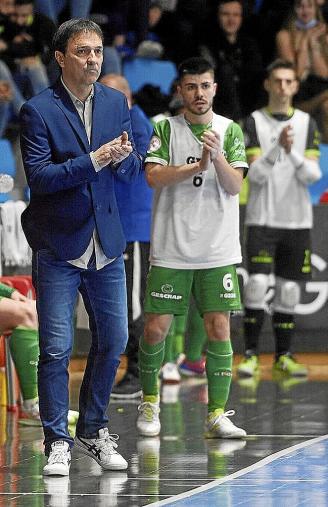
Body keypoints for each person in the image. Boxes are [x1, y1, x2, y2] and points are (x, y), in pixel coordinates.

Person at [20, 18, 142, 476]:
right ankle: (57, 439)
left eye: (97, 51)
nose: (92, 59)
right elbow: (42, 179)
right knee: (56, 347)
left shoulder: (116, 102)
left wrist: (124, 160)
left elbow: (127, 173)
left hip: (106, 243)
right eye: (82, 52)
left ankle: (92, 430)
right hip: (58, 243)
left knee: (114, 339)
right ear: (60, 58)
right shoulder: (38, 110)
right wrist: (94, 160)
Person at [136, 56, 248, 439]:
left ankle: (216, 413)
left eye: (205, 86)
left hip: (217, 250)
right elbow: (153, 177)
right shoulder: (163, 128)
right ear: (180, 91)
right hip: (172, 247)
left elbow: (235, 187)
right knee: (155, 330)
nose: (198, 94)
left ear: (215, 88)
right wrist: (195, 165)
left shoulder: (230, 130)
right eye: (191, 87)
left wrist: (214, 158)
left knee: (219, 328)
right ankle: (150, 401)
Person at [237, 59, 321, 379]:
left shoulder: (306, 122)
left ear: (296, 86)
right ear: (268, 85)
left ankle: (284, 355)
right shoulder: (254, 122)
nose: (283, 87)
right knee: (257, 284)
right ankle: (250, 355)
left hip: (297, 221)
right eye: (278, 81)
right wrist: (276, 150)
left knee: (289, 291)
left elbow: (313, 174)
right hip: (262, 218)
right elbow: (255, 177)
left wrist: (291, 151)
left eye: (289, 81)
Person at [100, 73, 153, 399]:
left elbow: (140, 162)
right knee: (122, 301)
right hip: (116, 225)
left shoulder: (136, 122)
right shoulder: (115, 121)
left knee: (133, 304)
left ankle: (138, 372)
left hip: (132, 227)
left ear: (124, 98)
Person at [199, 0, 264, 121]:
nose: (231, 19)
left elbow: (256, 74)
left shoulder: (249, 44)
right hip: (219, 101)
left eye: (236, 15)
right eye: (226, 14)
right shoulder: (208, 43)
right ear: (217, 16)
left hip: (248, 99)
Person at [276, 0, 328, 142]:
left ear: (316, 9)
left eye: (309, 6)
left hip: (320, 90)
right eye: (300, 6)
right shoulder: (284, 36)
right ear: (293, 9)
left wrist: (314, 45)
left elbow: (323, 75)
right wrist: (305, 44)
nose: (305, 11)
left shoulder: (324, 34)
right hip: (298, 93)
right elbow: (296, 76)